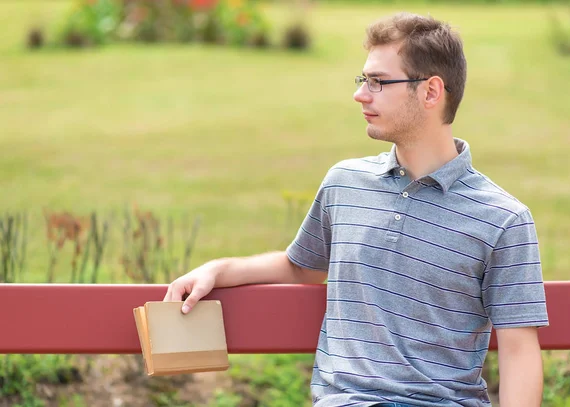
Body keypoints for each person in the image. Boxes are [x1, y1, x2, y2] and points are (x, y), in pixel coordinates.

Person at [164, 11, 549, 407]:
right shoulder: (345, 183)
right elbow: (304, 266)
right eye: (363, 80)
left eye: (378, 82)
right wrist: (218, 269)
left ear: (431, 92)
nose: (361, 94)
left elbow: (519, 349)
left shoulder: (502, 219)